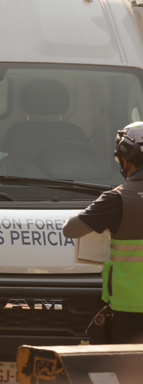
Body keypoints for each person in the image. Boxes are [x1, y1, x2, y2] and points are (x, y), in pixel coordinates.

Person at [63, 122, 143, 344]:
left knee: (129, 375)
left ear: (125, 160)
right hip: (130, 311)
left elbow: (71, 230)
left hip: (130, 311)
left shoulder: (117, 199)